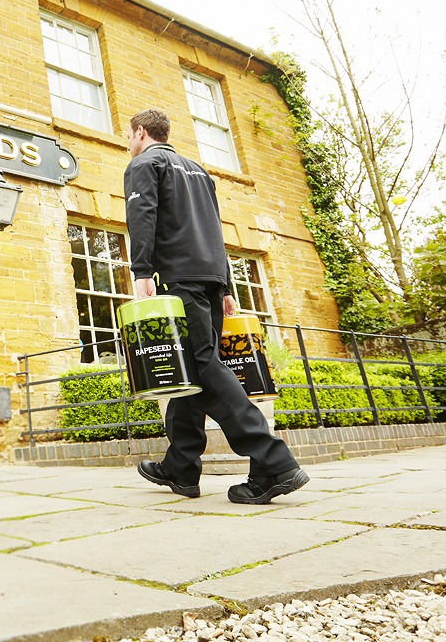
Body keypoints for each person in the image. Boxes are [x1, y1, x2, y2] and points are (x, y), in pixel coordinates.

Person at [123, 108, 308, 504]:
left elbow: (142, 214)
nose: (128, 144)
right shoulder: (197, 170)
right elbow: (214, 228)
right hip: (208, 275)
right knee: (190, 366)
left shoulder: (145, 163)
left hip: (180, 278)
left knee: (202, 364)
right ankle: (181, 469)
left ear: (140, 132)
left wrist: (141, 270)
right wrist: (224, 284)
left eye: (129, 136)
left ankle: (274, 462)